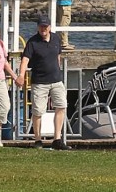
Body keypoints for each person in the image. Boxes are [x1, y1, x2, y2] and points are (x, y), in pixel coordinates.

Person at [17, 14, 70, 150]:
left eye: (45, 26)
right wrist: (21, 76)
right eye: (41, 26)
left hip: (56, 81)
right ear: (38, 27)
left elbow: (58, 56)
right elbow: (25, 60)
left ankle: (57, 139)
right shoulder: (32, 42)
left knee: (61, 106)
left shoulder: (56, 39)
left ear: (50, 27)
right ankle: (38, 139)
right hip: (39, 82)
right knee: (38, 111)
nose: (43, 29)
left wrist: (57, 71)